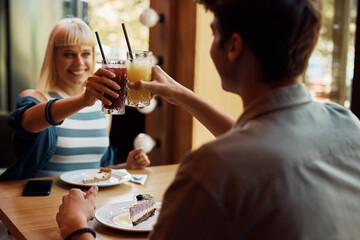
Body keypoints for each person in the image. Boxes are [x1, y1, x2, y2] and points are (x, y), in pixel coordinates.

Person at [57, 0, 360, 239]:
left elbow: (247, 149)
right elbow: (261, 139)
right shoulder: (346, 123)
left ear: (233, 46)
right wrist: (181, 95)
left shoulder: (211, 169)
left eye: (213, 34)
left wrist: (75, 227)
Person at [0, 18, 150, 181]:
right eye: (69, 54)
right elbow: (28, 122)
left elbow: (94, 171)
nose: (79, 62)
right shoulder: (35, 97)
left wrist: (126, 167)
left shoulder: (103, 105)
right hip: (43, 203)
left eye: (85, 53)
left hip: (90, 201)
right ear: (53, 57)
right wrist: (82, 100)